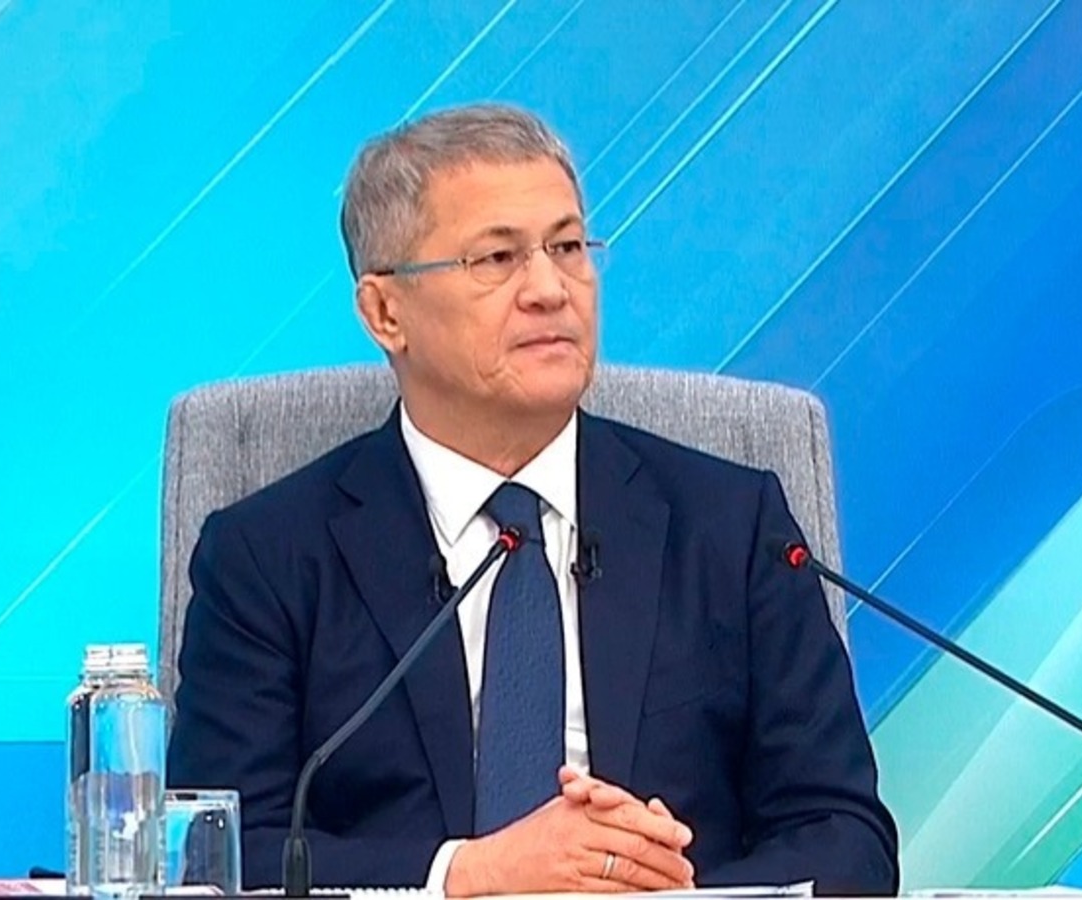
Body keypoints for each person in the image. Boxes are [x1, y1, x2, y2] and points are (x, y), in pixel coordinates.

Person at [167, 102, 898, 895]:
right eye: (497, 258)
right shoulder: (269, 556)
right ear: (385, 312)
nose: (550, 289)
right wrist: (470, 872)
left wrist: (681, 895)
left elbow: (845, 835)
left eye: (568, 247)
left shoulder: (730, 525)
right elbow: (217, 852)